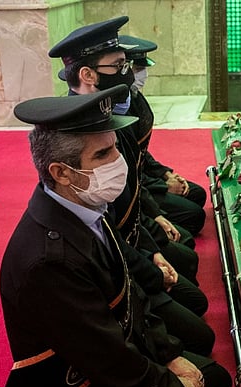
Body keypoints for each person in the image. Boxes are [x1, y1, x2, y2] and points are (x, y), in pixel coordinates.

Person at [0, 86, 235, 387]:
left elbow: (130, 291)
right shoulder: (48, 262)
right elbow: (108, 361)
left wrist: (167, 355)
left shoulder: (82, 206)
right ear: (62, 172)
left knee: (213, 381)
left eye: (115, 147)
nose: (117, 161)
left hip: (113, 354)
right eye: (103, 154)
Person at [49, 17, 213, 353]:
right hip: (117, 265)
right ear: (87, 74)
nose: (129, 72)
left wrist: (152, 242)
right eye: (119, 65)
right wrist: (148, 265)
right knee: (200, 329)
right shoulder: (72, 135)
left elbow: (136, 176)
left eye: (128, 65)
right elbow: (102, 231)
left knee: (189, 269)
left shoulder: (115, 115)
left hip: (133, 239)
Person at [120, 35, 209, 237]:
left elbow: (140, 152)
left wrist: (165, 174)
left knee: (196, 194)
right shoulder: (117, 107)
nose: (143, 76)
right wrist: (161, 186)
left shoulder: (133, 97)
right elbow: (126, 171)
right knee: (195, 217)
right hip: (132, 186)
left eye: (144, 69)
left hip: (144, 175)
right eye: (137, 69)